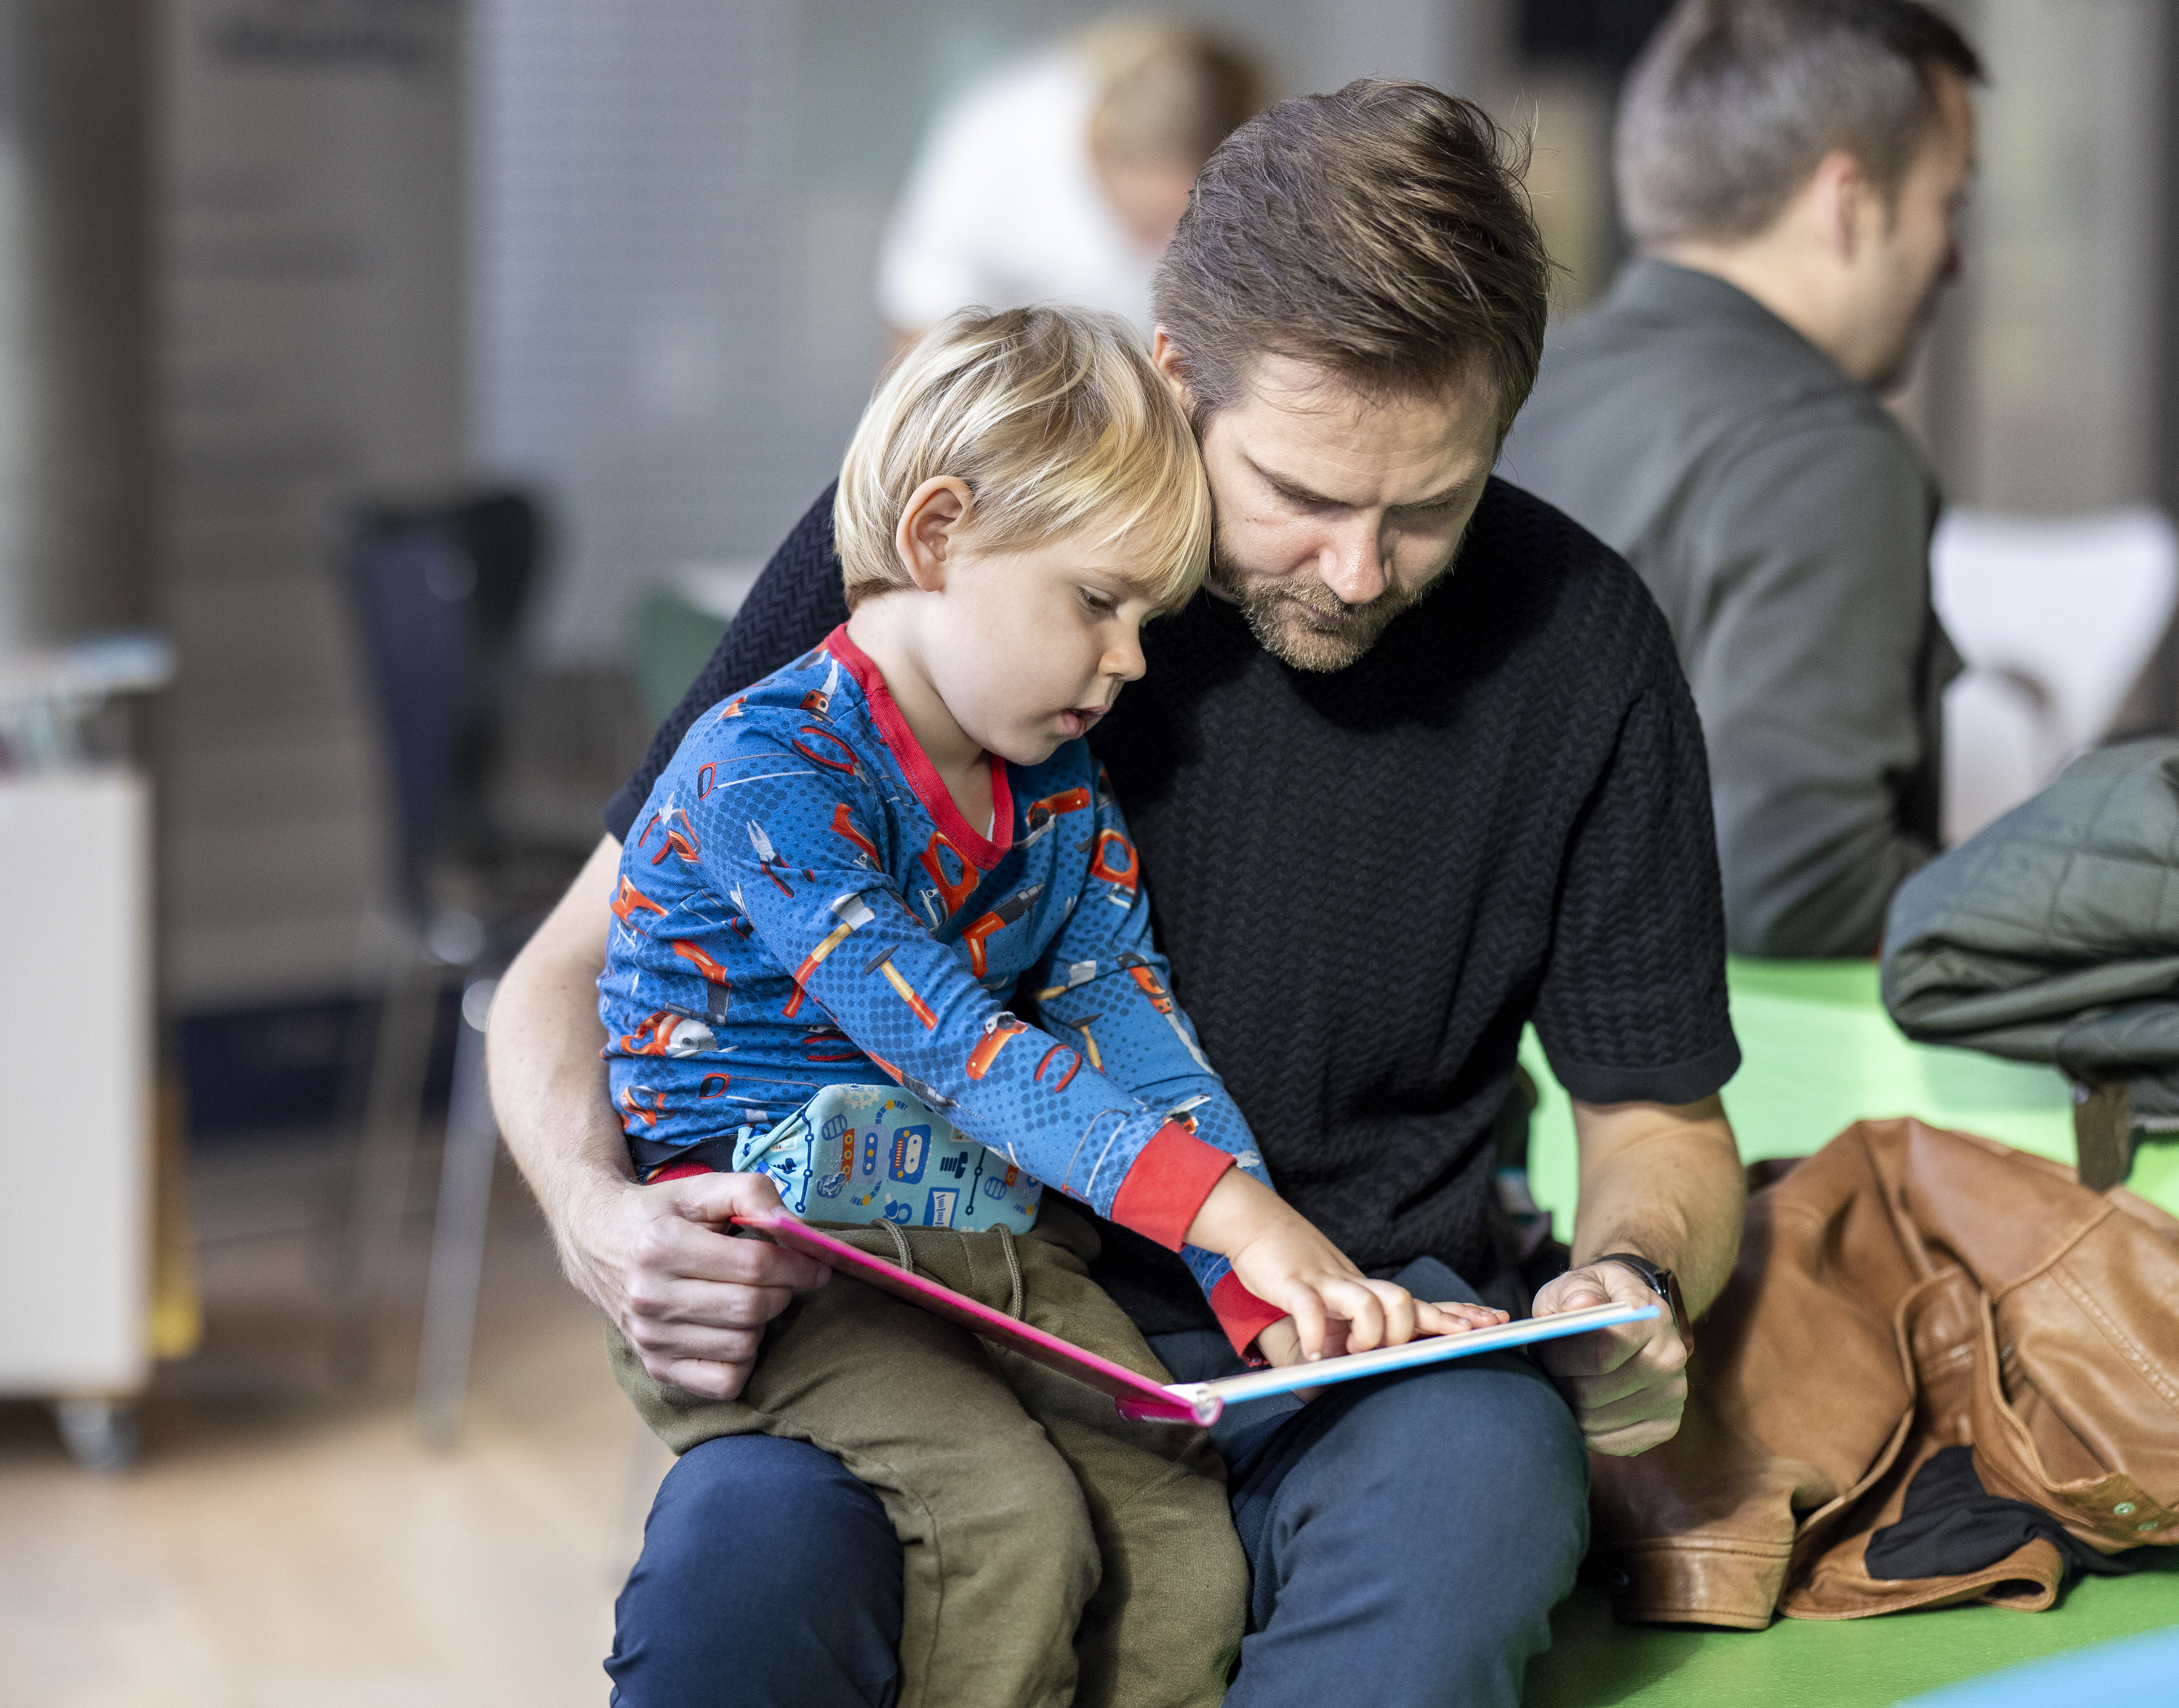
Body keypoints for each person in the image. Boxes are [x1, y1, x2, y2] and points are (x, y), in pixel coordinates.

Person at [491, 80, 1747, 1708]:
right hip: (923, 1306)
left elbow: (1657, 1119)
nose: (1357, 571)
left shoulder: (1585, 647)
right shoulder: (943, 566)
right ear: (1174, 379)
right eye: (1297, 495)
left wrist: (1627, 1283)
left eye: (1424, 507)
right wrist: (603, 1226)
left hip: (1355, 1347)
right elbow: (558, 975)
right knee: (744, 1560)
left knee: (1480, 1493)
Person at [600, 303, 1492, 1708]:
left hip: (986, 1238)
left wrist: (1261, 1289)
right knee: (1006, 1522)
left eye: (1148, 616)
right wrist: (1227, 1213)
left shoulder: (1058, 797)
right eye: (1097, 602)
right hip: (792, 1264)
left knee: (1178, 1544)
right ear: (940, 532)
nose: (1132, 660)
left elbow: (1139, 1037)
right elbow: (944, 1039)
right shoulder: (765, 770)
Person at [1500, 0, 1982, 958]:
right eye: (1947, 203)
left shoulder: (1514, 392)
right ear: (1844, 202)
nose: (1955, 259)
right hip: (1740, 1092)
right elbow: (1795, 881)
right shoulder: (1824, 452)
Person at [876, 17, 1263, 350]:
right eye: (1151, 222)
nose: (1158, 246)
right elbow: (916, 327)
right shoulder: (993, 139)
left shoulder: (1257, 172)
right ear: (1101, 147)